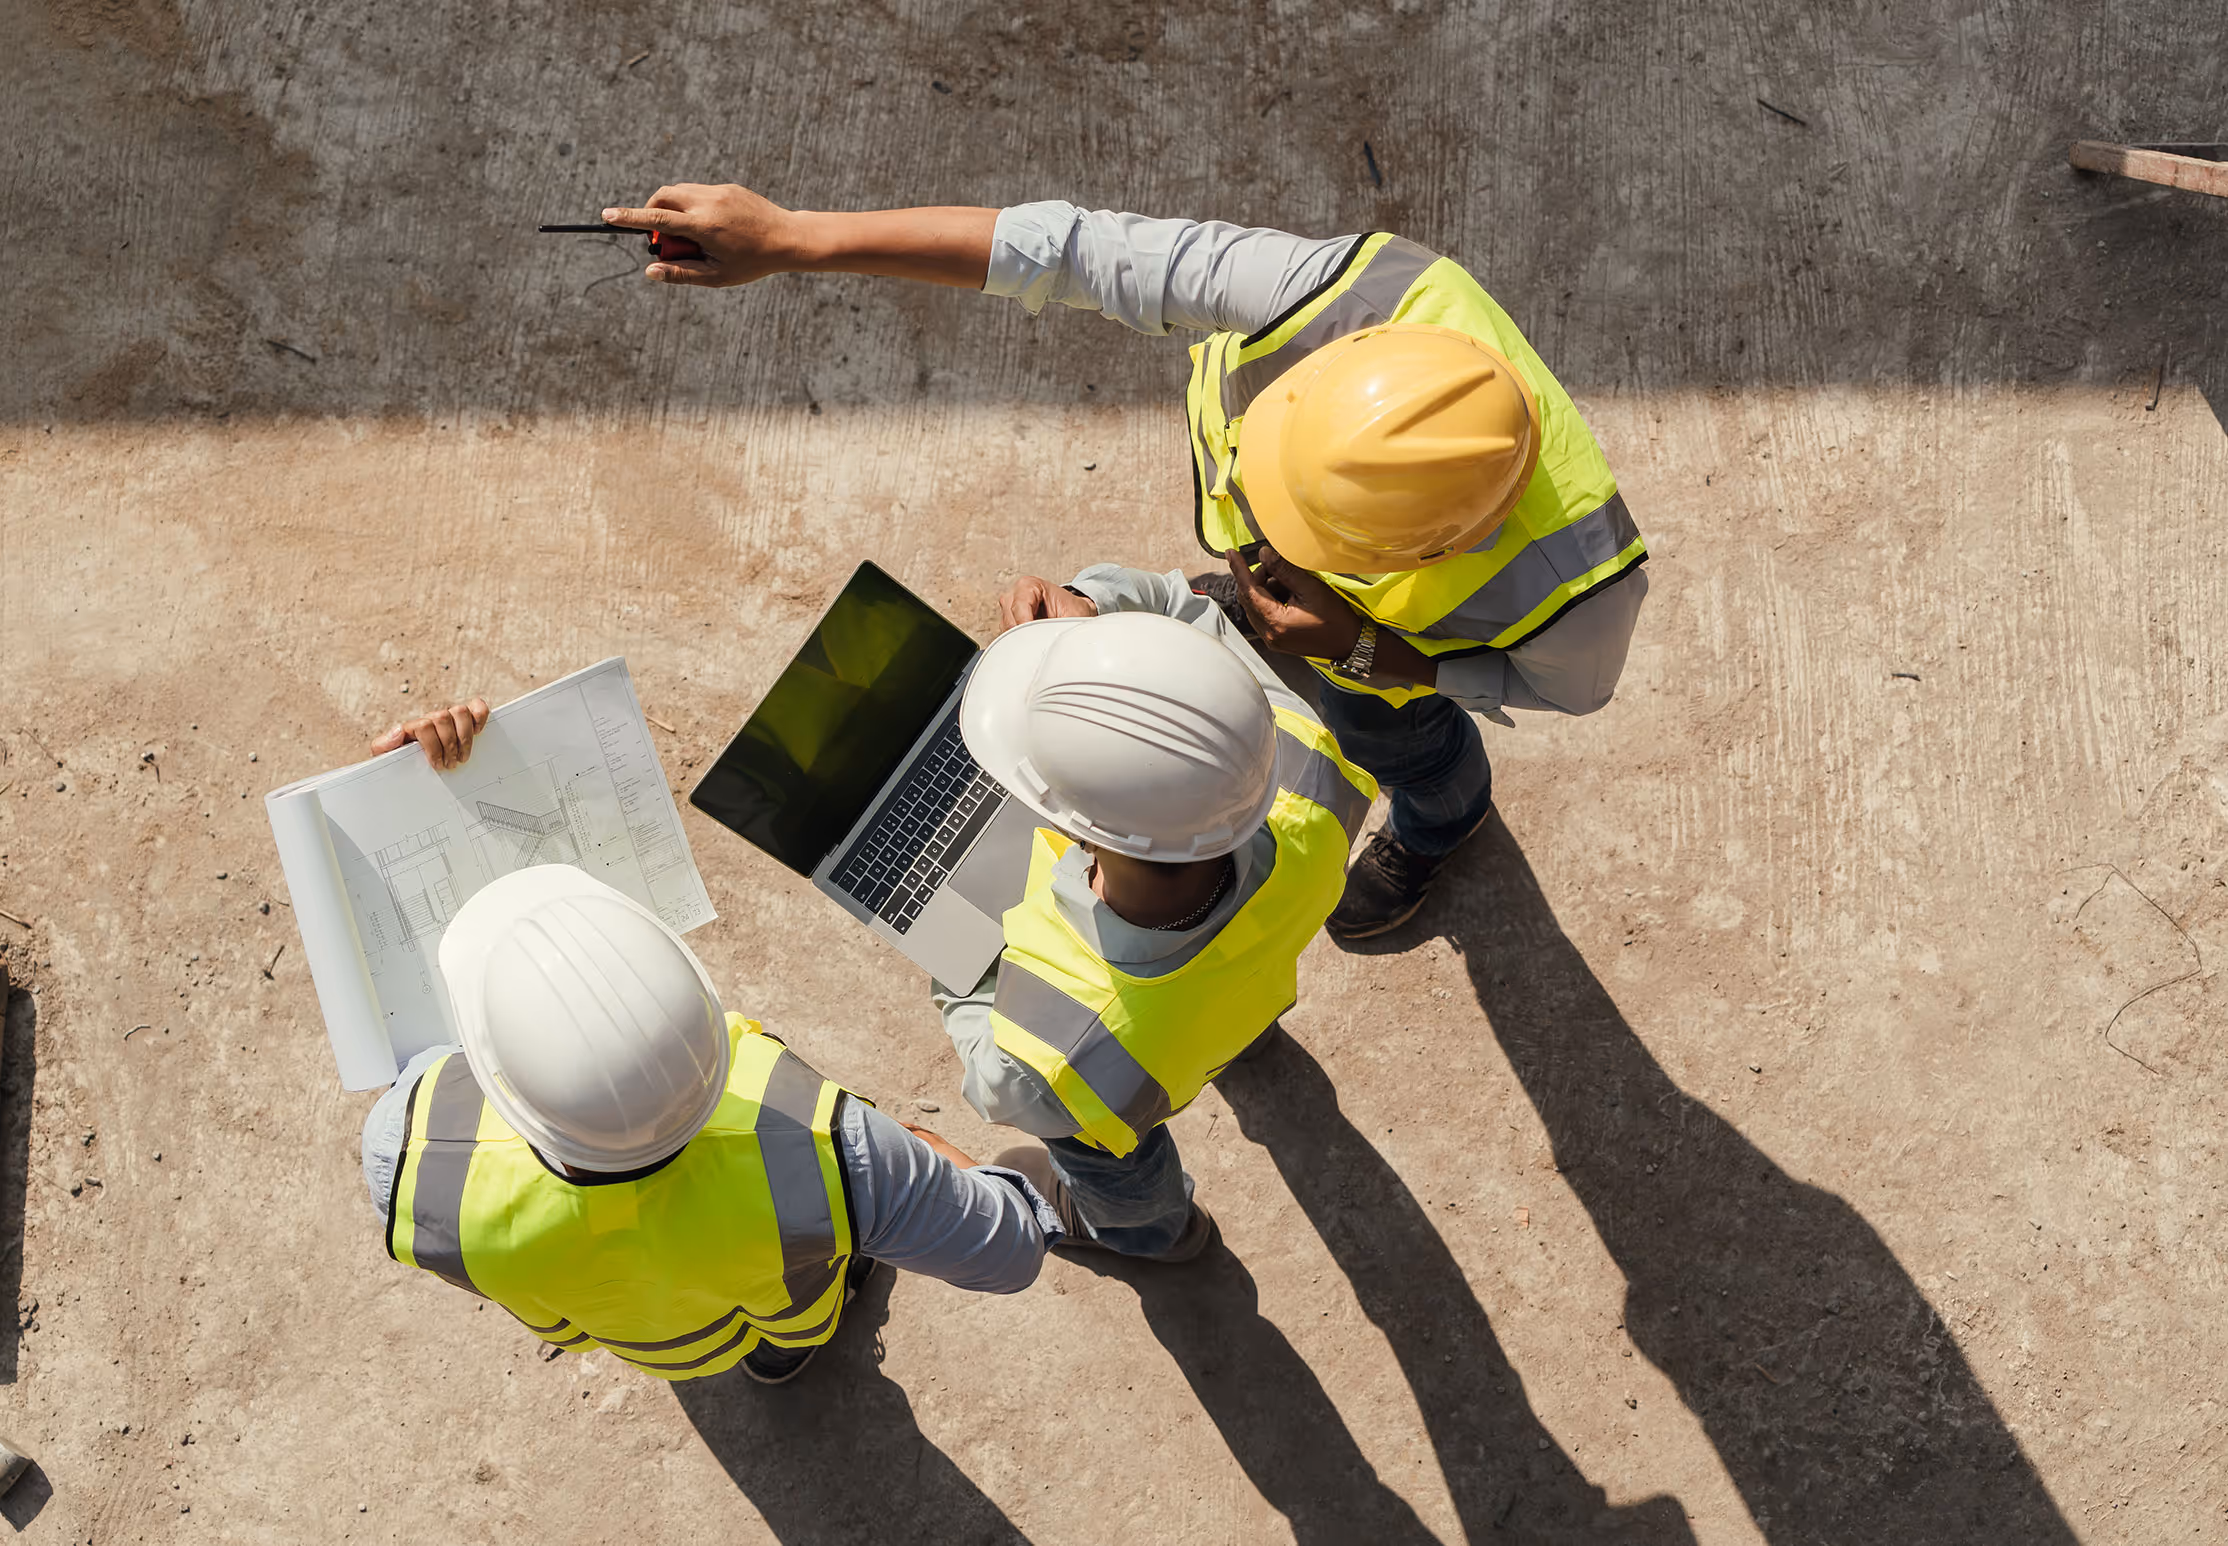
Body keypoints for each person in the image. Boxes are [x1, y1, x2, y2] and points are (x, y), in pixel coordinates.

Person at [599, 185, 1648, 939]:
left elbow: (1564, 695)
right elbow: (1068, 251)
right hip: (1340, 625)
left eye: (1294, 536)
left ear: (1428, 546)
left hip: (1379, 663)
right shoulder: (1334, 293)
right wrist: (794, 238)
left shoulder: (1580, 598)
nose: (1253, 545)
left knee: (1405, 746)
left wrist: (1376, 655)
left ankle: (1442, 817)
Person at [358, 700, 1064, 1386]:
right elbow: (1008, 1250)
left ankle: (761, 1359)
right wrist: (909, 1156)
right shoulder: (837, 1152)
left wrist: (405, 802)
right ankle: (784, 1354)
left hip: (644, 1339)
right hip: (787, 1304)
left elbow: (420, 1041)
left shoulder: (407, 1159)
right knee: (791, 1317)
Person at [926, 565, 1376, 1260]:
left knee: (1110, 1160)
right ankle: (1247, 1045)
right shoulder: (1305, 763)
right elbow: (1184, 616)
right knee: (1225, 1009)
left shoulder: (1052, 1056)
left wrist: (952, 962)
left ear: (1073, 830)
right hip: (1232, 994)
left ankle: (1156, 1233)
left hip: (1125, 1075)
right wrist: (1096, 625)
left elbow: (996, 1084)